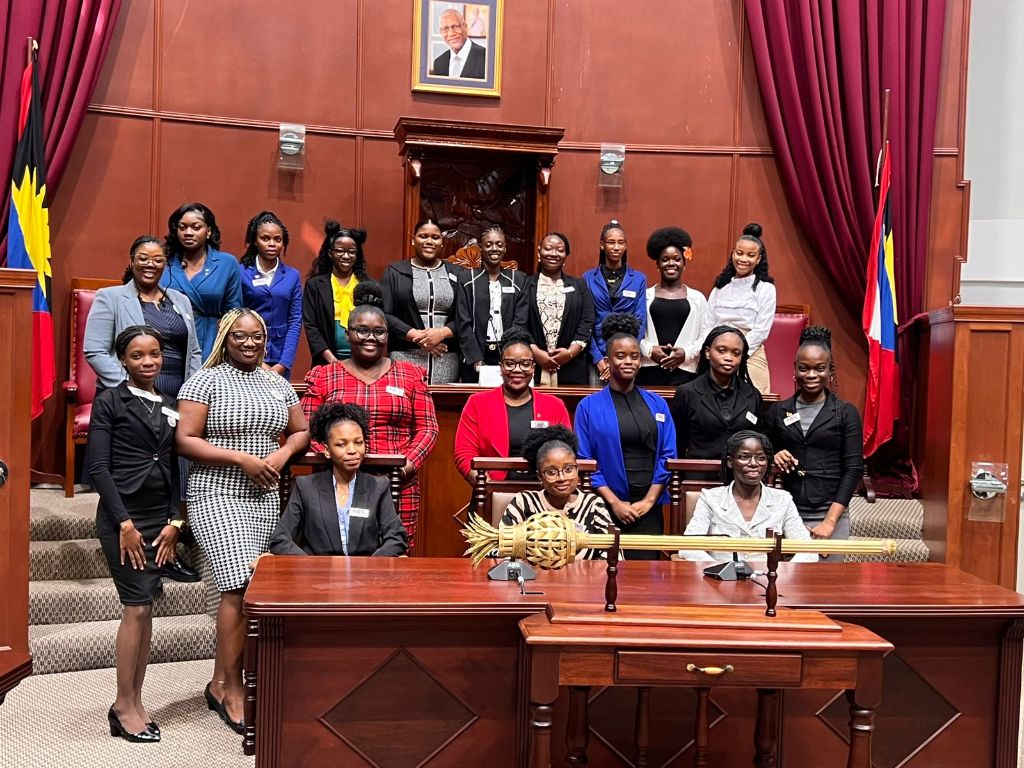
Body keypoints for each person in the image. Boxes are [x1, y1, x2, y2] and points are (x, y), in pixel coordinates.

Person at [176, 309, 309, 734]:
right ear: (224, 339)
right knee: (237, 583)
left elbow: (301, 431)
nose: (249, 344)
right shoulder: (205, 380)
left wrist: (281, 455)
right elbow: (185, 439)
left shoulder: (278, 382)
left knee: (257, 585)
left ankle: (221, 681)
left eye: (256, 337)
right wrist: (242, 459)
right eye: (240, 337)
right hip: (215, 492)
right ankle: (233, 687)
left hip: (266, 496)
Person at [88, 326, 183, 743]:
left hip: (158, 518)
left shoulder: (169, 403)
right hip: (121, 518)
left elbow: (177, 466)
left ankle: (135, 700)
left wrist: (175, 522)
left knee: (146, 611)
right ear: (123, 360)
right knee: (137, 607)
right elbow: (97, 469)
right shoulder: (110, 400)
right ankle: (123, 704)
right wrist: (124, 524)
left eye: (155, 354)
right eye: (139, 355)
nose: (149, 362)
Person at [303, 281, 439, 546]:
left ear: (388, 335)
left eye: (379, 332)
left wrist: (405, 467)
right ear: (347, 332)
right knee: (337, 554)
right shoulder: (324, 376)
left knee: (394, 559)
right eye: (362, 331)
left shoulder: (411, 375)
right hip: (337, 484)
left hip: (398, 485)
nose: (370, 338)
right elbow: (309, 427)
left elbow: (428, 429)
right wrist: (337, 461)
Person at [575, 314, 676, 560]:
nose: (628, 361)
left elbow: (668, 456)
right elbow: (584, 461)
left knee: (647, 583)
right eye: (620, 356)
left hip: (648, 509)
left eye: (634, 356)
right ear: (608, 361)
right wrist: (615, 502)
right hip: (604, 507)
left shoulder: (658, 404)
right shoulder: (588, 407)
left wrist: (649, 501)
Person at [764, 326, 864, 560]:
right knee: (786, 586)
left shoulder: (845, 413)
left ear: (831, 372)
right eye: (804, 368)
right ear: (795, 370)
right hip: (787, 513)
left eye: (819, 369)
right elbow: (762, 454)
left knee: (827, 589)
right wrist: (774, 455)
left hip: (831, 512)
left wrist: (829, 522)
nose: (811, 375)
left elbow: (853, 470)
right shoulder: (778, 411)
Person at [269, 403, 408, 557]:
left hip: (366, 576)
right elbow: (280, 539)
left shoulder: (378, 487)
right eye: (341, 444)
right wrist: (309, 566)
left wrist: (369, 568)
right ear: (327, 451)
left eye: (358, 443)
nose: (352, 451)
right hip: (318, 575)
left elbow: (396, 538)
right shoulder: (306, 487)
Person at [84, 235, 202, 397]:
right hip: (127, 399)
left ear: (165, 264)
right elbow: (95, 351)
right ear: (132, 262)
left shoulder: (181, 300)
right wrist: (130, 388)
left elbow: (194, 351)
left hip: (178, 398)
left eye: (158, 260)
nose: (150, 264)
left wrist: (193, 392)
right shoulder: (110, 297)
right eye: (143, 258)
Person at [677, 431, 817, 563]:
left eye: (761, 458)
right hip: (720, 583)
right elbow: (688, 547)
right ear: (730, 462)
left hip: (769, 583)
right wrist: (721, 571)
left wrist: (781, 575)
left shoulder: (782, 500)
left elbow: (809, 550)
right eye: (744, 457)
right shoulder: (710, 498)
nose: (754, 464)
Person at [454, 329, 571, 484]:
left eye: (525, 364)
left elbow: (566, 453)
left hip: (544, 494)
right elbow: (464, 454)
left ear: (533, 368)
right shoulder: (477, 403)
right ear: (500, 367)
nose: (517, 370)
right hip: (493, 489)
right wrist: (488, 488)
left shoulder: (554, 405)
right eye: (510, 364)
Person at [501, 425, 614, 560]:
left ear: (577, 470)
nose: (562, 478)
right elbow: (503, 547)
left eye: (568, 469)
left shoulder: (592, 504)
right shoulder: (524, 502)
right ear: (539, 476)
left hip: (584, 579)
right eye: (551, 472)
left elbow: (612, 552)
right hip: (533, 578)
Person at [382, 218, 464, 384]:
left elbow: (467, 314)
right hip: (406, 356)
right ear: (413, 240)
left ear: (442, 242)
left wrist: (441, 333)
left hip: (446, 357)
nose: (429, 241)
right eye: (423, 236)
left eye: (435, 237)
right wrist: (418, 337)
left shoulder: (458, 273)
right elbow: (384, 314)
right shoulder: (395, 272)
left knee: (444, 408)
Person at [160, 202, 243, 361]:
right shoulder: (164, 262)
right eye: (182, 227)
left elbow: (233, 313)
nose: (188, 232)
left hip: (209, 340)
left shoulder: (226, 263)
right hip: (168, 343)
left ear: (208, 231)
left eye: (196, 227)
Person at [671, 326, 764, 464]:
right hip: (697, 475)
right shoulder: (687, 393)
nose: (728, 358)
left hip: (739, 477)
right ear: (708, 352)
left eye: (736, 353)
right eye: (721, 351)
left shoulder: (752, 394)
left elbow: (759, 441)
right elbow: (678, 442)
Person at [707, 223, 777, 395]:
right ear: (732, 254)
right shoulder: (720, 288)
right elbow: (707, 325)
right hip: (718, 351)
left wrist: (738, 351)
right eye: (739, 253)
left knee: (756, 402)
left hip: (751, 352)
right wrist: (718, 351)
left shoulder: (766, 289)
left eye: (750, 255)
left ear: (759, 259)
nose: (743, 259)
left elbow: (761, 330)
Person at [637, 226, 710, 388]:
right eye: (665, 259)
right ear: (657, 264)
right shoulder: (644, 296)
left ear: (684, 263)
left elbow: (705, 335)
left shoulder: (697, 298)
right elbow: (634, 331)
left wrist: (685, 354)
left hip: (686, 372)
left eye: (677, 259)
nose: (671, 263)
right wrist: (650, 350)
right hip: (649, 370)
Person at [456, 224, 529, 382]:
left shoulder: (519, 279)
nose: (494, 248)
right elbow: (463, 322)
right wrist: (476, 359)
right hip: (474, 356)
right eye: (488, 245)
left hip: (509, 356)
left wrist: (509, 356)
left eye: (499, 244)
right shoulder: (467, 279)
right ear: (480, 247)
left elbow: (520, 321)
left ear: (505, 248)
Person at [524, 232, 595, 386]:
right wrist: (537, 353)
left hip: (571, 367)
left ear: (566, 255)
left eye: (560, 250)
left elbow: (587, 320)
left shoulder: (579, 286)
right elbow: (519, 323)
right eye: (548, 249)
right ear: (539, 252)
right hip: (531, 366)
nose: (553, 254)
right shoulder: (525, 284)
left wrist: (569, 353)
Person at [238, 211, 302, 379]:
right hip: (247, 354)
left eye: (277, 239)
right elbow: (233, 318)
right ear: (255, 241)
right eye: (265, 238)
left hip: (280, 357)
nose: (272, 244)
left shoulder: (292, 275)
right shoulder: (240, 272)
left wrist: (284, 363)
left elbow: (295, 321)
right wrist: (258, 362)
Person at [584, 221, 648, 383]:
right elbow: (586, 321)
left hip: (626, 358)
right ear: (602, 245)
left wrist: (628, 353)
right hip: (597, 356)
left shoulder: (638, 279)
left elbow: (640, 321)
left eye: (621, 242)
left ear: (626, 246)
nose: (616, 247)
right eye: (611, 242)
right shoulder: (588, 278)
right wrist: (598, 358)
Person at [302, 220, 368, 367]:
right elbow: (312, 327)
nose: (346, 256)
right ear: (330, 253)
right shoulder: (315, 285)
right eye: (340, 251)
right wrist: (332, 360)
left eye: (351, 251)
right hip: (326, 363)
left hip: (362, 364)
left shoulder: (367, 286)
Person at [430, 8, 486, 79]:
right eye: (445, 28)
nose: (451, 34)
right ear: (441, 32)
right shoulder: (438, 63)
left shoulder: (486, 58)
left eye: (455, 27)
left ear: (465, 27)